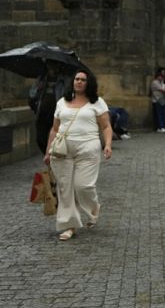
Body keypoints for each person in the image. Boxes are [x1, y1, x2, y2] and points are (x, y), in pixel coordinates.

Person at [43, 69, 113, 241]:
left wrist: (108, 144)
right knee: (65, 188)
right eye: (76, 79)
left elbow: (105, 126)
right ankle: (69, 226)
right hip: (62, 148)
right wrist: (47, 150)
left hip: (88, 146)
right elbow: (54, 129)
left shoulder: (97, 103)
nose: (79, 82)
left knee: (83, 186)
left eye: (83, 80)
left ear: (89, 83)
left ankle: (93, 206)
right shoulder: (62, 102)